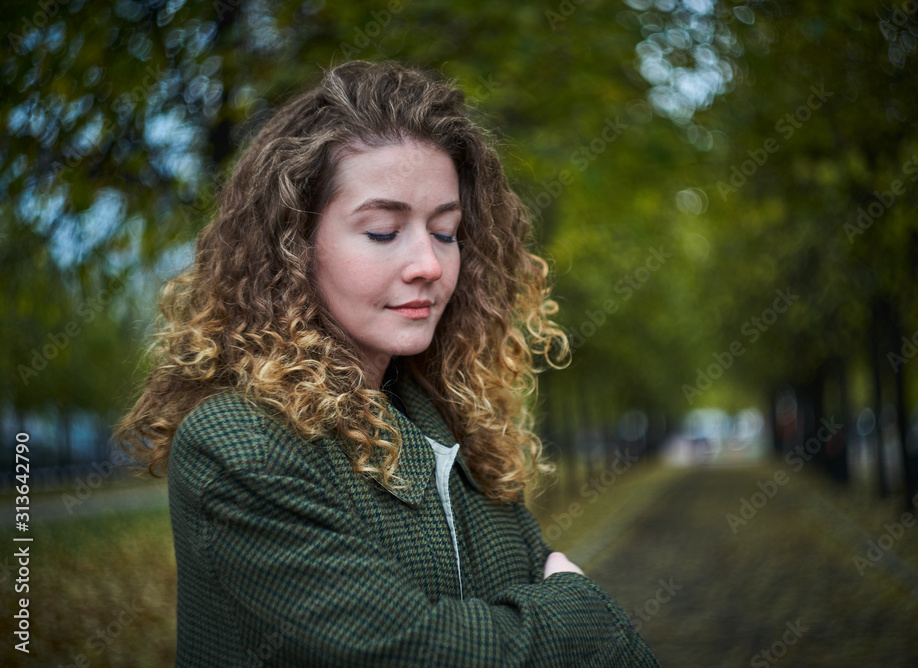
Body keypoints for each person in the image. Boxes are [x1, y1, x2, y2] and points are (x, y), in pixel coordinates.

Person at [116, 60, 658, 667]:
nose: (429, 263)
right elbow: (407, 651)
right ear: (293, 245)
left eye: (446, 231)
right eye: (382, 231)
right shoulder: (239, 446)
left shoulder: (451, 425)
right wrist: (582, 613)